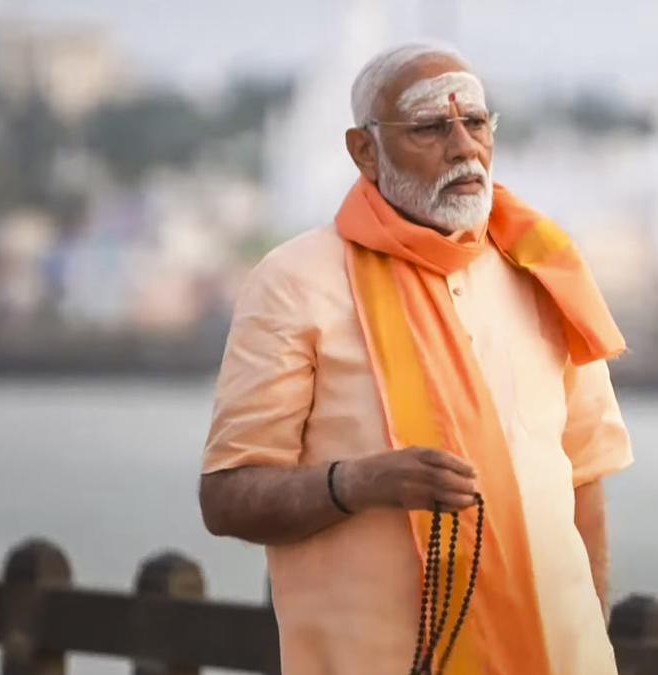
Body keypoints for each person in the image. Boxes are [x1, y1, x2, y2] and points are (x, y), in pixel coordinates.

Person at [199, 42, 632, 675]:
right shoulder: (295, 282)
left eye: (476, 123)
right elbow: (227, 498)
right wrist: (359, 484)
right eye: (430, 127)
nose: (463, 147)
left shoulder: (542, 267)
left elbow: (584, 482)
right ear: (363, 150)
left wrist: (593, 645)